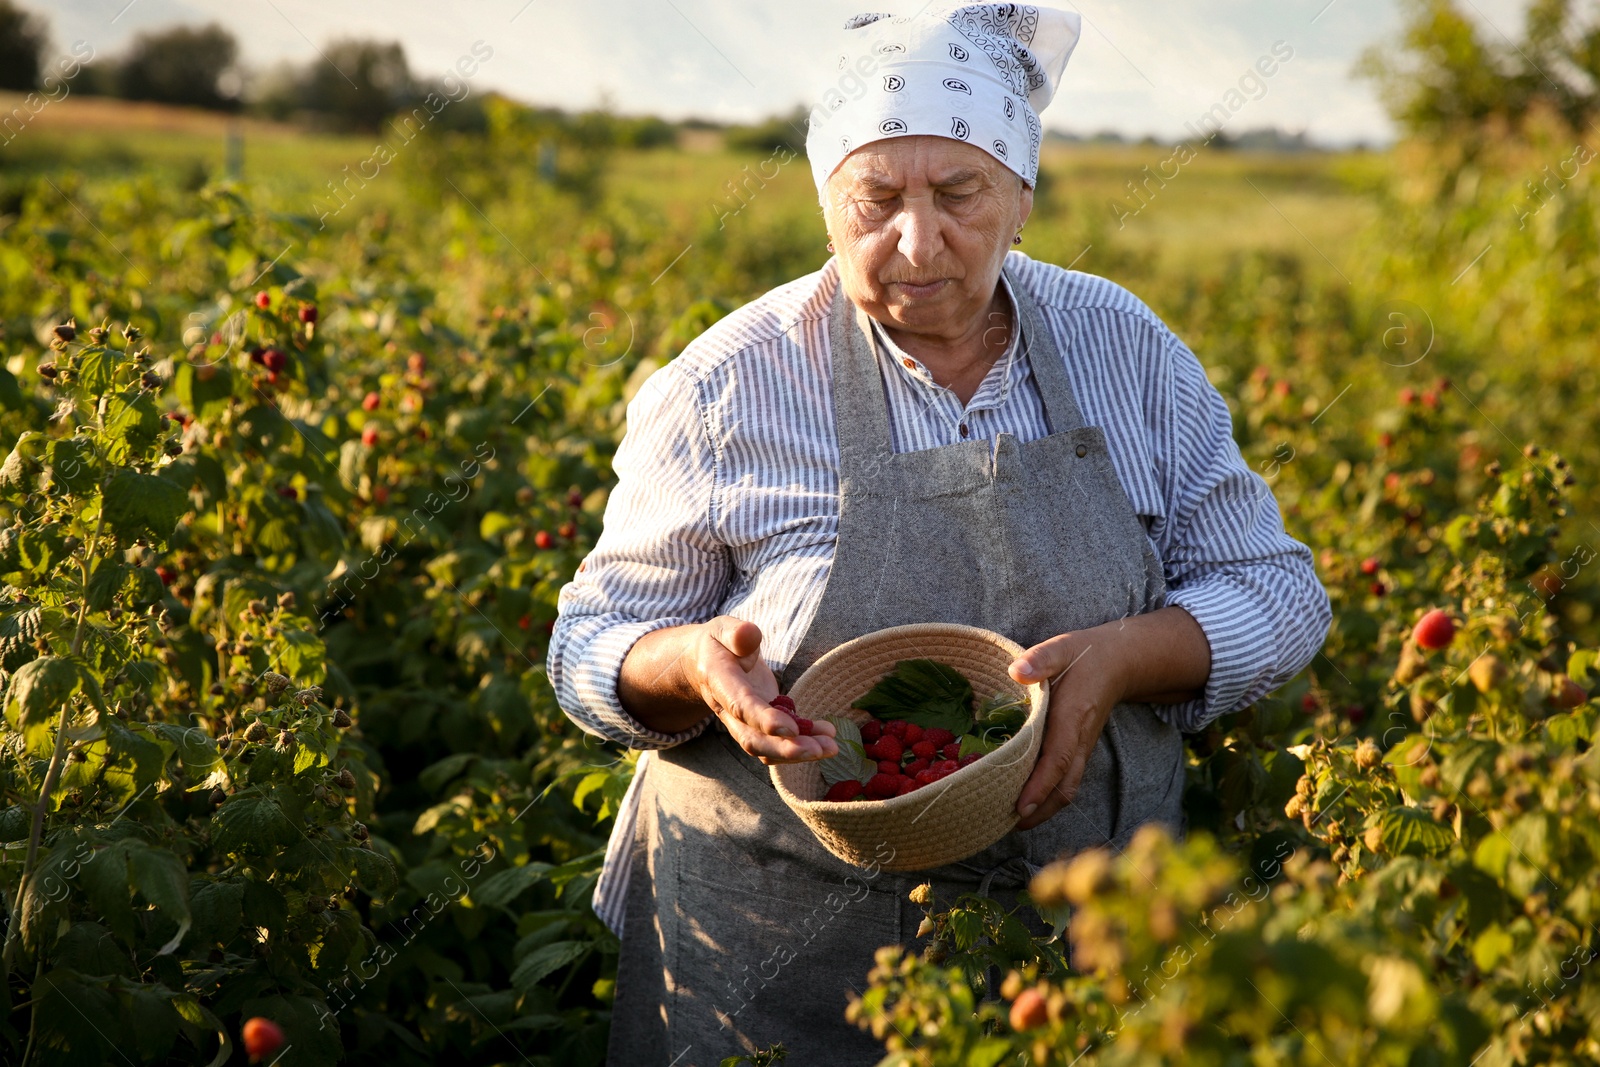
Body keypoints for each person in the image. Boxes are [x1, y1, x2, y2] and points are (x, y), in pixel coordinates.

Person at [548, 5, 1331, 1064]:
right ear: (827, 206)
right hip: (776, 949)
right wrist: (689, 662)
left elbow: (1273, 589)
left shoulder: (1127, 349)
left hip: (1075, 928)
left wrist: (1123, 656)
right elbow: (592, 641)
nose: (917, 243)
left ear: (1020, 194)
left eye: (958, 194)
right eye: (876, 200)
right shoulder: (728, 384)